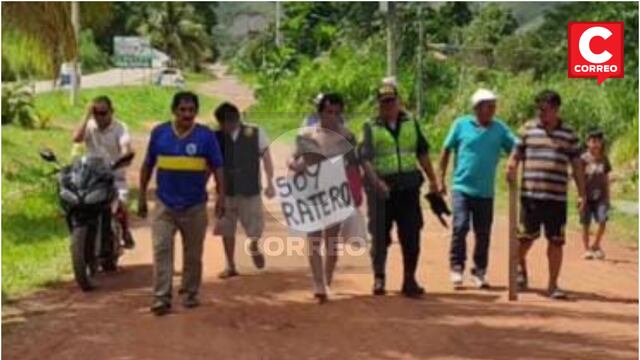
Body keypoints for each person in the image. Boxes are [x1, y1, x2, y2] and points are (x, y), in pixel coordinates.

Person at [138, 91, 225, 316]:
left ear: (196, 112)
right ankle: (161, 298)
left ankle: (190, 293)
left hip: (194, 205)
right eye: (182, 110)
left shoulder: (205, 136)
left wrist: (221, 198)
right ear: (174, 111)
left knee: (193, 254)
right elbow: (147, 165)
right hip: (165, 204)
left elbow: (218, 168)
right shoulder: (160, 133)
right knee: (161, 250)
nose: (187, 114)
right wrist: (141, 197)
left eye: (191, 110)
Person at [359, 80, 439, 297]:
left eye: (391, 101)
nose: (388, 106)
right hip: (380, 191)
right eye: (384, 102)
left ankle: (409, 279)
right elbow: (364, 159)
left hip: (408, 189)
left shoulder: (411, 123)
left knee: (411, 234)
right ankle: (379, 278)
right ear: (378, 104)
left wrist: (433, 180)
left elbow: (422, 153)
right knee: (379, 236)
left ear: (398, 101)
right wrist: (377, 182)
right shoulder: (370, 127)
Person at [506, 90, 586, 300]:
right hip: (531, 197)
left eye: (545, 109)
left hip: (557, 198)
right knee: (524, 239)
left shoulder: (569, 134)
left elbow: (577, 166)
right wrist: (511, 167)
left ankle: (552, 285)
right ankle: (519, 266)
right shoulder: (527, 129)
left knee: (556, 241)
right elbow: (515, 155)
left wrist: (581, 194)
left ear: (556, 109)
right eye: (538, 109)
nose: (541, 113)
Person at [439, 89, 518, 289]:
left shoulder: (499, 129)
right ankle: (456, 268)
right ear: (477, 108)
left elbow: (517, 146)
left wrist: (511, 162)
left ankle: (479, 271)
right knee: (461, 226)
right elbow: (446, 149)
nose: (492, 109)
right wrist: (440, 178)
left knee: (483, 232)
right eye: (488, 105)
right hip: (462, 187)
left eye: (494, 106)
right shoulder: (461, 124)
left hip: (485, 191)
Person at [289, 93, 358, 303]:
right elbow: (293, 158)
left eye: (337, 113)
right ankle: (318, 283)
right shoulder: (308, 135)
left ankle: (327, 279)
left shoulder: (347, 136)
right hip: (311, 191)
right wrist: (294, 166)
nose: (333, 116)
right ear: (320, 113)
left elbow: (354, 165)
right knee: (313, 239)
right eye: (329, 112)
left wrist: (356, 193)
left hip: (336, 192)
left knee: (331, 241)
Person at [213, 102, 275, 279]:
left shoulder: (255, 132)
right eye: (223, 123)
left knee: (255, 227)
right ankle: (230, 264)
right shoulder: (215, 137)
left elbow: (266, 158)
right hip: (226, 190)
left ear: (236, 120)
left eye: (230, 122)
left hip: (250, 189)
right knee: (226, 228)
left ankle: (254, 245)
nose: (226, 126)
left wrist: (270, 182)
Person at [72, 95, 135, 249]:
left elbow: (125, 146)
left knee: (121, 202)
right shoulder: (90, 125)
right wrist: (86, 115)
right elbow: (76, 138)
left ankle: (125, 231)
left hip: (114, 176)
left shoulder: (120, 127)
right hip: (91, 176)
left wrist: (123, 158)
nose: (100, 117)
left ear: (111, 111)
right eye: (96, 113)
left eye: (103, 113)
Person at [580, 129, 611, 260]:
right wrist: (580, 196)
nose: (595, 144)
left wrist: (608, 197)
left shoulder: (604, 159)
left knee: (603, 221)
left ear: (601, 143)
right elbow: (578, 178)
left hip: (601, 197)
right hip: (586, 197)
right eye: (593, 141)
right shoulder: (583, 159)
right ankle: (586, 249)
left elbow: (606, 179)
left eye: (598, 141)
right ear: (588, 143)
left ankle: (596, 245)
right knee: (585, 224)